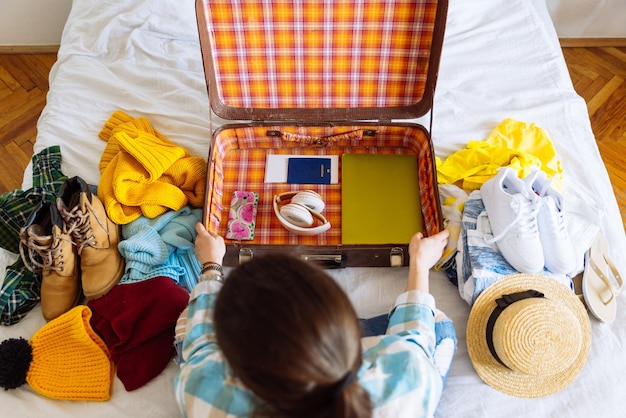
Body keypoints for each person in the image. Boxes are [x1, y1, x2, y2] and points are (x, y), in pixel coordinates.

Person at [175, 223, 455, 418]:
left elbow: (201, 348)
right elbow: (414, 342)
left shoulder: (201, 387)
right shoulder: (408, 376)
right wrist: (419, 264)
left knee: (190, 323)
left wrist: (211, 265)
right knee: (437, 324)